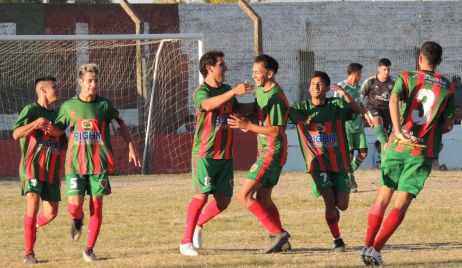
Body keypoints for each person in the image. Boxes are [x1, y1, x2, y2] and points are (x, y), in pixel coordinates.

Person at [361, 41, 455, 266]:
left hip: (397, 145)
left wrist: (399, 130)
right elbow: (447, 126)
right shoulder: (448, 87)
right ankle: (376, 250)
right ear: (439, 62)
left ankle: (367, 245)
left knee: (383, 196)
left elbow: (393, 99)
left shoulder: (406, 76)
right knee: (400, 203)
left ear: (419, 59)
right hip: (421, 151)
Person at [51, 63, 141, 262]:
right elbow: (58, 130)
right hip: (75, 165)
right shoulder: (68, 107)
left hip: (99, 164)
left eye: (96, 80)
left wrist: (131, 146)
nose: (93, 84)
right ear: (80, 82)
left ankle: (89, 249)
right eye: (90, 81)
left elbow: (121, 124)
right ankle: (77, 219)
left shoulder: (105, 106)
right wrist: (43, 129)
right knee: (74, 207)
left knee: (97, 206)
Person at [179, 50, 254, 256]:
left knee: (223, 202)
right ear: (209, 68)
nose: (225, 67)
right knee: (201, 196)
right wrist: (233, 93)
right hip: (205, 154)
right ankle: (185, 242)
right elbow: (207, 105)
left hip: (226, 154)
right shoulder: (201, 91)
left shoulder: (228, 89)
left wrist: (259, 103)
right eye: (222, 64)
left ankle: (198, 224)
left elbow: (237, 109)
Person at [289, 71, 361, 252]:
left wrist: (345, 94)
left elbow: (356, 110)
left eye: (320, 84)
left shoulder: (336, 105)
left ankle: (333, 216)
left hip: (340, 163)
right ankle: (337, 240)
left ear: (328, 88)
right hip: (318, 164)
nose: (316, 86)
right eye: (313, 83)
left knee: (342, 206)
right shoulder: (301, 108)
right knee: (329, 202)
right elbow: (283, 110)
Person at [228, 54, 291, 253]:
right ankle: (282, 241)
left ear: (270, 73)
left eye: (258, 72)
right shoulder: (262, 91)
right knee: (264, 198)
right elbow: (259, 113)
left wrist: (247, 126)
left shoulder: (276, 98)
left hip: (273, 151)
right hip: (266, 150)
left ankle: (279, 235)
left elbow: (276, 131)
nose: (253, 75)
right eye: (253, 71)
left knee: (243, 195)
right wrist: (243, 116)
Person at [13, 76, 66, 264]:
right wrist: (36, 123)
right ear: (43, 90)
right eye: (54, 87)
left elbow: (63, 142)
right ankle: (28, 253)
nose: (57, 90)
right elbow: (16, 133)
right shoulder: (31, 110)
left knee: (51, 213)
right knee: (33, 203)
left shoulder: (58, 115)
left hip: (51, 170)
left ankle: (32, 227)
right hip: (32, 167)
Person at [334, 63, 367, 192]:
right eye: (360, 73)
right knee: (349, 156)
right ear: (356, 73)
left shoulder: (358, 87)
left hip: (358, 125)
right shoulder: (341, 87)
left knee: (363, 153)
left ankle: (347, 175)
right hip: (346, 126)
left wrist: (366, 116)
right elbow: (337, 106)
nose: (361, 76)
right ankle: (349, 179)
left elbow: (360, 104)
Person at [361, 58, 395, 147]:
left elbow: (398, 98)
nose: (387, 72)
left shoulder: (394, 81)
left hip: (387, 110)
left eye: (388, 69)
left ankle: (383, 152)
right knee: (377, 120)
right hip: (372, 107)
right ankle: (384, 144)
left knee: (387, 135)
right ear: (379, 69)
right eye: (384, 69)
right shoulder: (370, 81)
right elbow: (360, 98)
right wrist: (365, 114)